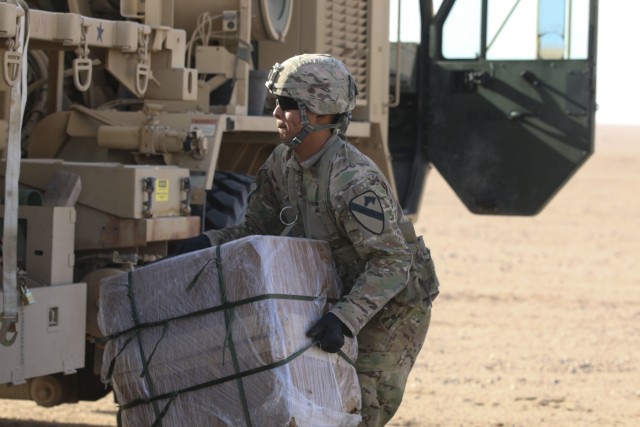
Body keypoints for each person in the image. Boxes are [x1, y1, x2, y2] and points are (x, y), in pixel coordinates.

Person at [177, 53, 439, 426]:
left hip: (391, 308)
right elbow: (254, 233)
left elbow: (393, 263)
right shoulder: (283, 163)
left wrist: (344, 319)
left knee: (356, 412)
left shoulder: (352, 181)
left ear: (319, 113)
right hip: (339, 298)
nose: (276, 113)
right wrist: (204, 245)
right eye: (276, 103)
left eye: (287, 105)